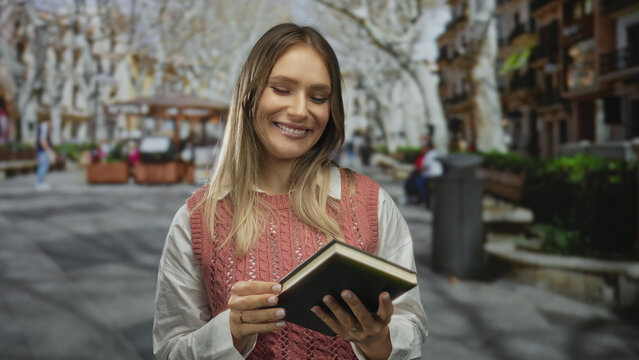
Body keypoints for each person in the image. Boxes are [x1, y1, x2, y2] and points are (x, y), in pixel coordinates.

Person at [153, 23, 427, 360]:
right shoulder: (198, 218)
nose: (300, 110)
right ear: (250, 94)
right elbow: (169, 349)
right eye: (282, 89)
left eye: (318, 97)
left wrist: (376, 341)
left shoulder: (372, 204)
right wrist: (231, 332)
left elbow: (411, 324)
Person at [35, 118, 54, 191]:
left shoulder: (42, 126)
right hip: (43, 150)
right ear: (48, 121)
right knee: (44, 165)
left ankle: (41, 182)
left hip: (41, 149)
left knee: (43, 165)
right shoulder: (44, 127)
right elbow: (42, 140)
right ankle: (40, 183)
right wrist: (47, 150)